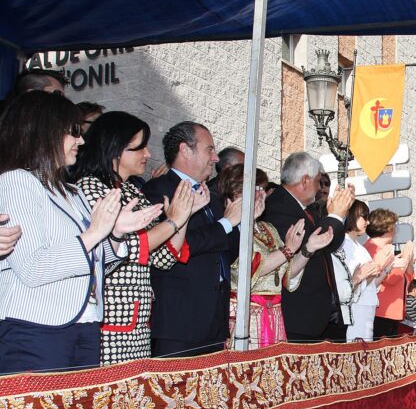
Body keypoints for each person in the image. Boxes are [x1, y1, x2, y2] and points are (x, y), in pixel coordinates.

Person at [0, 92, 159, 373]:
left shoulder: (72, 192)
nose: (81, 140)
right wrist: (94, 233)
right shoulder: (17, 182)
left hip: (85, 324)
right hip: (37, 327)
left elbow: (95, 262)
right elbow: (33, 268)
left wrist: (116, 234)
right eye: (73, 132)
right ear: (44, 132)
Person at [72, 111, 199, 364]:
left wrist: (184, 216)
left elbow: (163, 257)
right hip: (110, 321)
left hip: (139, 323)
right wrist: (173, 220)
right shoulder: (90, 187)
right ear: (115, 149)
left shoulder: (133, 191)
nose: (148, 154)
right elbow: (127, 248)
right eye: (139, 148)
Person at [144, 121, 242, 357]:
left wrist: (239, 225)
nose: (215, 158)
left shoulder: (212, 196)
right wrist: (226, 223)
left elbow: (227, 252)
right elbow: (182, 246)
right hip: (179, 324)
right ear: (185, 150)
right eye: (209, 149)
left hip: (214, 321)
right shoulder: (158, 191)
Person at [216, 164, 332, 349]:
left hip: (274, 316)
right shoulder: (229, 228)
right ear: (238, 193)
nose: (264, 196)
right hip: (247, 316)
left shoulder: (266, 229)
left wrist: (308, 248)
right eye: (258, 190)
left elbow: (287, 274)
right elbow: (248, 267)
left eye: (263, 190)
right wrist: (287, 250)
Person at [261, 152, 354, 342]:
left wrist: (337, 215)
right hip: (297, 315)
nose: (320, 188)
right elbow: (316, 242)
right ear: (305, 180)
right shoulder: (277, 206)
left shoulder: (306, 210)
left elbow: (331, 242)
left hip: (315, 316)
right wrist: (336, 215)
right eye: (319, 182)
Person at [331, 200, 394, 342]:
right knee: (356, 350)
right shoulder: (343, 244)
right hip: (355, 307)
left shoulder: (360, 247)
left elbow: (372, 284)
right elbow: (353, 281)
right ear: (351, 215)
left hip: (367, 306)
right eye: (364, 217)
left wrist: (384, 268)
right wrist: (376, 265)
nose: (368, 222)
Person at [363, 208, 416, 338]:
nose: (395, 230)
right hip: (382, 312)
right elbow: (392, 279)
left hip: (391, 312)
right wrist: (406, 258)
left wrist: (408, 261)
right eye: (394, 226)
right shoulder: (371, 248)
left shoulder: (384, 249)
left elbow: (405, 279)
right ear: (387, 227)